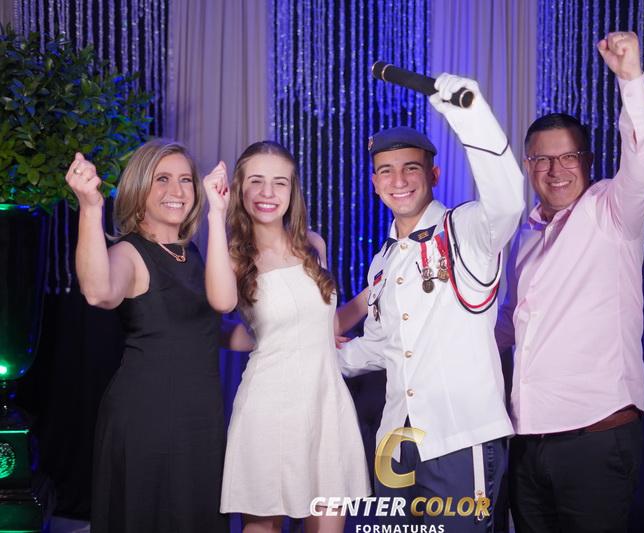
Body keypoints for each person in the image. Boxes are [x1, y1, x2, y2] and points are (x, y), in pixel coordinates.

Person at [337, 74, 525, 530]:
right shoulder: (383, 262)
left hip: (459, 436)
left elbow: (507, 202)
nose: (398, 180)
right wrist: (313, 355)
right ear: (375, 182)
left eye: (411, 168)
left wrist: (471, 115)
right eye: (386, 171)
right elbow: (381, 345)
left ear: (434, 175)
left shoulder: (467, 231)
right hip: (395, 443)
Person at [495, 32, 644, 532]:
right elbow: (508, 323)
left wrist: (630, 79)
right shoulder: (523, 235)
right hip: (528, 439)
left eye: (568, 157)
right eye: (542, 159)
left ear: (587, 161)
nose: (555, 170)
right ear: (528, 166)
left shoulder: (611, 210)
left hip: (595, 436)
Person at [203, 140, 370, 533]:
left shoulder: (313, 244)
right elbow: (221, 304)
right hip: (269, 406)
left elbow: (327, 326)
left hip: (326, 401)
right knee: (264, 525)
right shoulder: (232, 256)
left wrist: (377, 291)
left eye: (279, 182)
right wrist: (215, 213)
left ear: (292, 190)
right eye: (256, 181)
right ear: (238, 188)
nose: (268, 192)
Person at [65, 140, 228, 533]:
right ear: (139, 189)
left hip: (200, 419)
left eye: (185, 180)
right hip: (149, 419)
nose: (177, 190)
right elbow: (98, 292)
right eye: (162, 179)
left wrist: (291, 334)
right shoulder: (129, 252)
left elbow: (208, 331)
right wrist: (90, 207)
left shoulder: (190, 253)